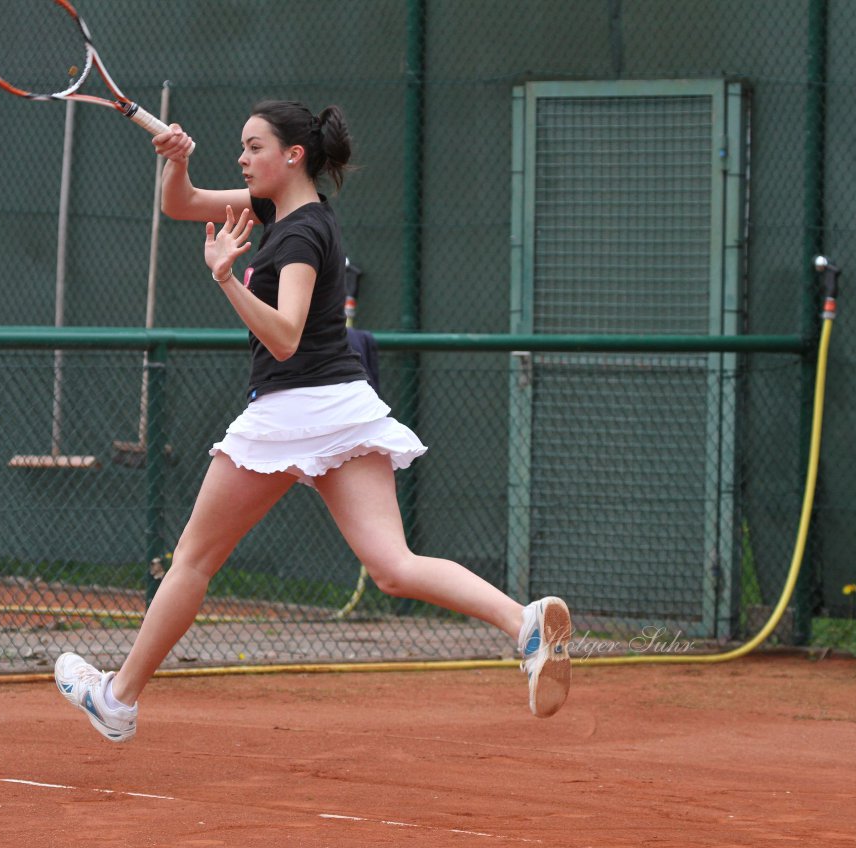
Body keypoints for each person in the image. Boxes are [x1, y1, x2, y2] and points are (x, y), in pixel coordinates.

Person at [55, 100, 571, 742]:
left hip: (291, 408)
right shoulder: (283, 212)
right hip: (343, 406)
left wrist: (227, 281)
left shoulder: (296, 234)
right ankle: (521, 622)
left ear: (292, 155)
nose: (242, 159)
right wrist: (176, 164)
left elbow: (285, 338)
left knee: (192, 561)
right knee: (393, 566)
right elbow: (181, 206)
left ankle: (118, 699)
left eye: (253, 147)